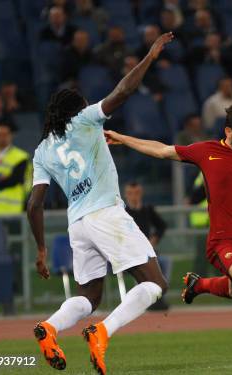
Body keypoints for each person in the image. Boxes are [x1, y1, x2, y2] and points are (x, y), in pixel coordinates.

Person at [27, 32, 174, 374]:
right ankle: (102, 332)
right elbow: (122, 91)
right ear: (76, 110)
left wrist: (41, 250)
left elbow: (35, 205)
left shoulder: (42, 150)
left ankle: (49, 328)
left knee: (89, 298)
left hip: (77, 224)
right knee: (155, 284)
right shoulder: (85, 119)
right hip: (106, 213)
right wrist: (149, 57)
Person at [103, 102, 232, 353]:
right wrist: (122, 137)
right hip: (222, 241)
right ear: (228, 131)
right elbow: (162, 150)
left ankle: (199, 286)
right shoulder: (206, 151)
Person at [124, 181, 170, 310]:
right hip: (131, 254)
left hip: (148, 252)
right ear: (126, 195)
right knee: (142, 267)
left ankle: (158, 296)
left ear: (141, 194)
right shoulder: (123, 213)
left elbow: (162, 226)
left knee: (164, 262)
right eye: (130, 193)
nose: (134, 197)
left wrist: (154, 239)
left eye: (137, 193)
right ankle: (147, 300)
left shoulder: (148, 210)